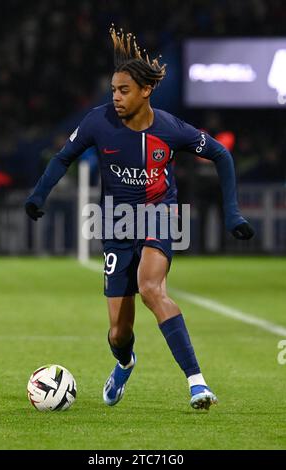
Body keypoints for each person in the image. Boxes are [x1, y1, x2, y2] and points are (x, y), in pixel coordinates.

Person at [25, 25, 254, 411]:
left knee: (151, 288)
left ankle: (197, 384)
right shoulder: (98, 123)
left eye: (123, 90)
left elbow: (221, 154)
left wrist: (232, 213)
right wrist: (38, 194)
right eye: (113, 90)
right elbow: (64, 156)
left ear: (146, 91)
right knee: (119, 332)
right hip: (115, 225)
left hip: (160, 216)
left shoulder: (170, 128)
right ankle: (125, 363)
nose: (115, 97)